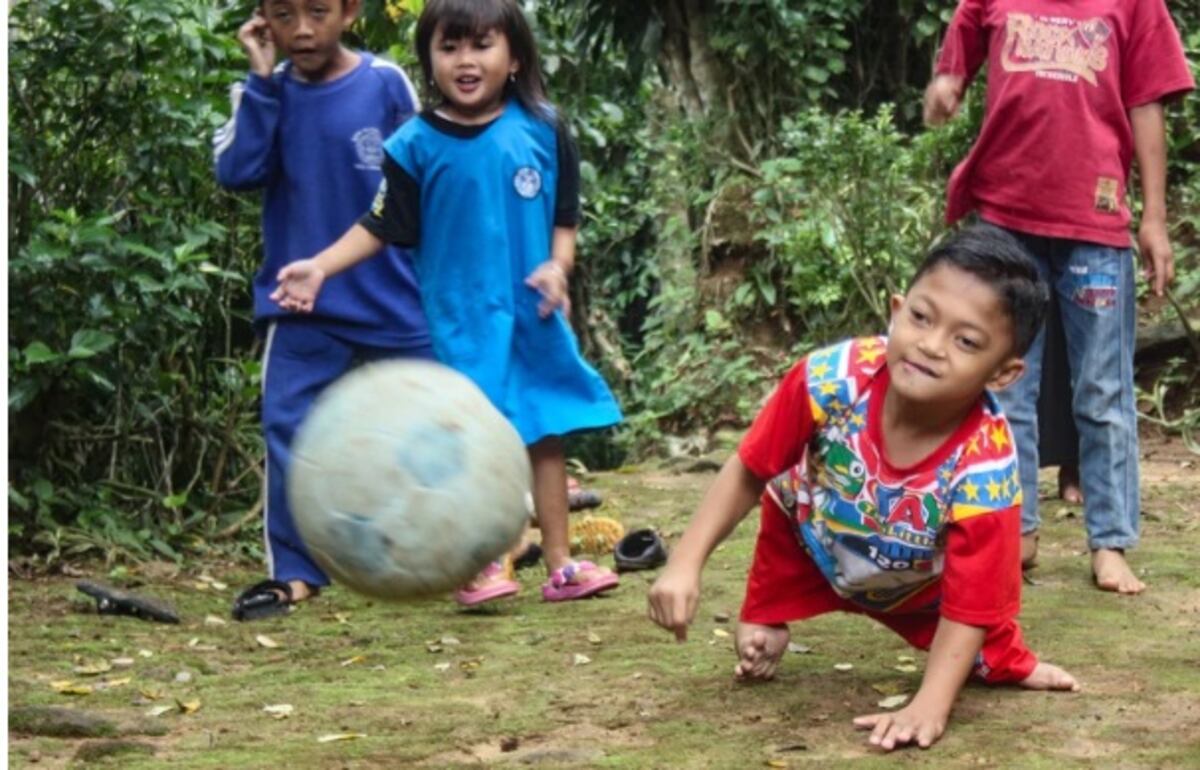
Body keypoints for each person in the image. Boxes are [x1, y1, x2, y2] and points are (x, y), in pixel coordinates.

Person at [649, 225, 1079, 752]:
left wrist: (929, 705)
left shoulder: (986, 470)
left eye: (966, 341)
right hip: (816, 536)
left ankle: (1014, 662)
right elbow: (751, 468)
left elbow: (972, 602)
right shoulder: (829, 380)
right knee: (786, 503)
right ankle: (767, 617)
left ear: (1003, 374)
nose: (930, 345)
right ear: (897, 310)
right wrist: (684, 563)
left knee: (986, 646)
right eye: (921, 317)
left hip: (918, 580)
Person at [270, 0, 623, 603]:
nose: (465, 60)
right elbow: (380, 225)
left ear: (515, 57)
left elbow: (565, 219)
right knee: (473, 443)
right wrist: (320, 267)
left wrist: (558, 269)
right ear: (429, 59)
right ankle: (482, 563)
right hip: (461, 325)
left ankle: (561, 563)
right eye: (449, 47)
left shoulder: (543, 128)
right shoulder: (414, 145)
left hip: (532, 315)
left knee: (545, 434)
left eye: (481, 45)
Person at [923, 0, 1193, 593]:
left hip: (1095, 223)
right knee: (1006, 386)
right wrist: (948, 80)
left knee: (1103, 390)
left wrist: (1154, 217)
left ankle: (1110, 541)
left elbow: (1146, 104)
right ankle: (1015, 530)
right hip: (1006, 216)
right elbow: (963, 38)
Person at [214, 0, 432, 619]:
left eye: (317, 10)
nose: (303, 29)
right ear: (263, 20)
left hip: (394, 295)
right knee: (288, 428)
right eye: (284, 15)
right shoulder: (262, 91)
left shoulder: (386, 83)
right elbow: (237, 172)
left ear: (350, 10)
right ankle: (295, 572)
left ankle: (472, 544)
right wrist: (261, 81)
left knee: (441, 417)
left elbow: (424, 176)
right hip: (299, 302)